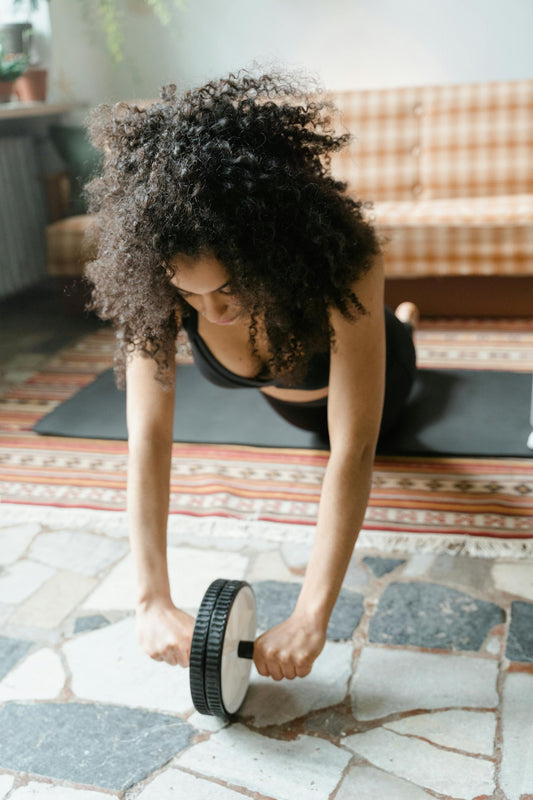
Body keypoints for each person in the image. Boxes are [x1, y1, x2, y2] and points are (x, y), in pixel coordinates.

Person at [84, 70, 418, 683]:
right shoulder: (163, 286)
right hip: (287, 399)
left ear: (268, 250)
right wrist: (149, 599)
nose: (213, 311)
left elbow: (355, 445)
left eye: (231, 287)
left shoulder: (347, 260)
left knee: (379, 412)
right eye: (193, 293)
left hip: (382, 386)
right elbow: (150, 439)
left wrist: (311, 615)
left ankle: (400, 325)